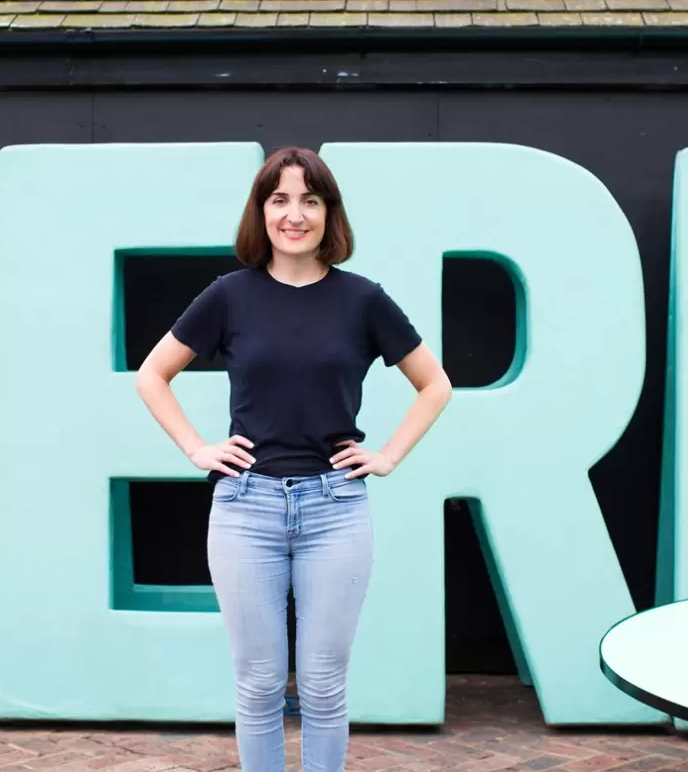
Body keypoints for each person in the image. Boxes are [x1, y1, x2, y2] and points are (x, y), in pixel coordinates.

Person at [134, 146, 452, 772]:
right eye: (280, 199)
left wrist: (387, 455)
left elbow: (435, 384)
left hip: (335, 509)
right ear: (261, 212)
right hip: (244, 507)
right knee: (257, 685)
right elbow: (152, 375)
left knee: (325, 686)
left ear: (329, 213)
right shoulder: (229, 296)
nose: (295, 214)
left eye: (310, 199)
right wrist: (197, 448)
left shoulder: (362, 300)